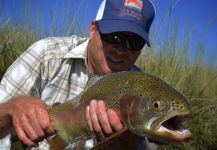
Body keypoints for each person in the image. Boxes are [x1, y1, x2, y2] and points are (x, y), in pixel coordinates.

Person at [0, 0, 156, 149]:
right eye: (114, 37)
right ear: (93, 29)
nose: (121, 49)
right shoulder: (47, 54)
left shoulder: (144, 90)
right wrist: (11, 108)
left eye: (134, 42)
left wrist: (127, 146)